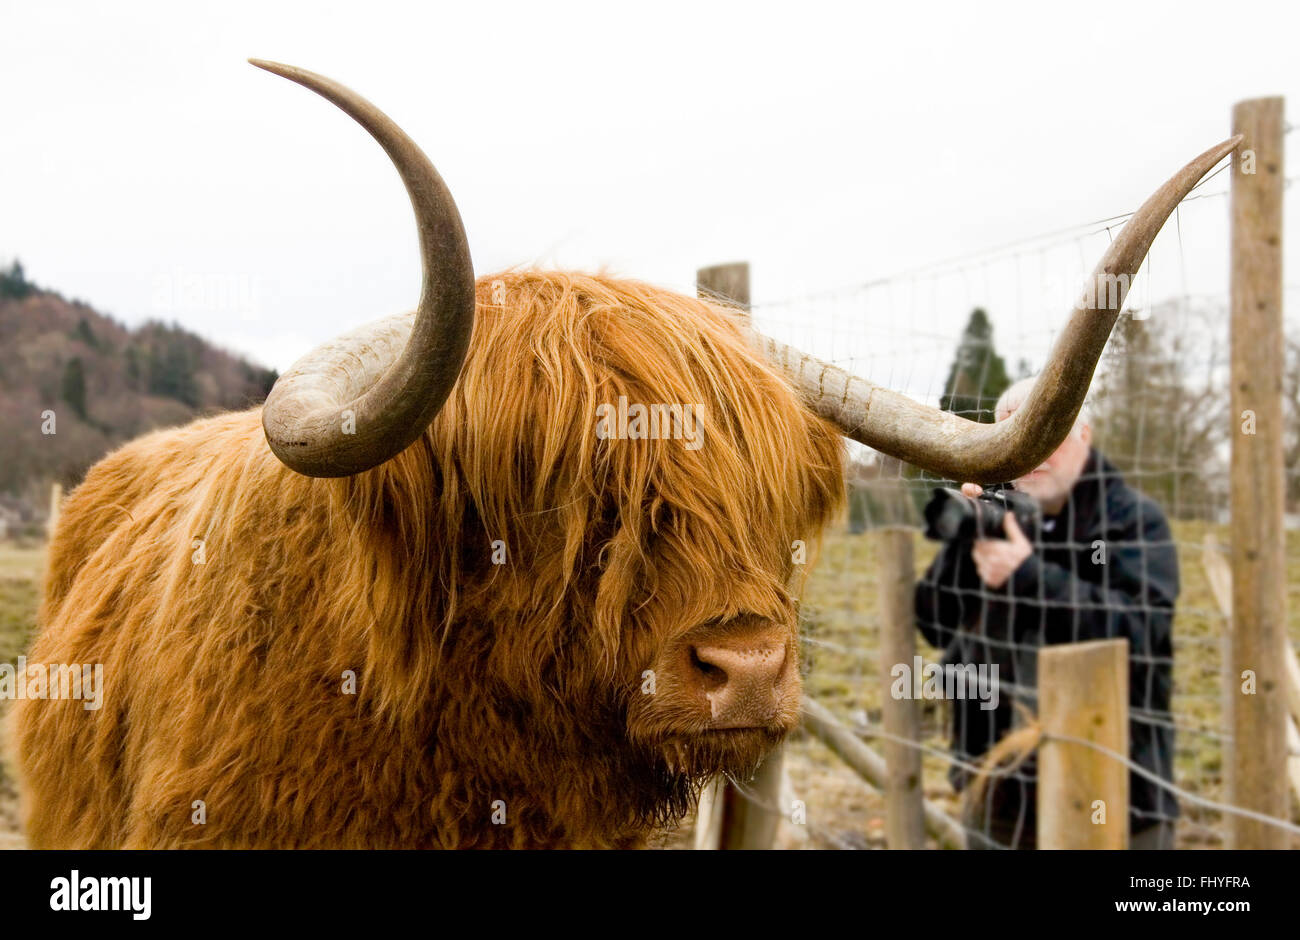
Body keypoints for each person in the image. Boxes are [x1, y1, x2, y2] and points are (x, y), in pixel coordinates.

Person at [914, 376, 1179, 849]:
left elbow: (1139, 635)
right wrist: (965, 544)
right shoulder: (1000, 515)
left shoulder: (1129, 518)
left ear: (1085, 436)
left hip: (1115, 789)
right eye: (1013, 438)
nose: (1032, 451)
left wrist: (1028, 575)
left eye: (1048, 432)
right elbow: (933, 624)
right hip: (999, 790)